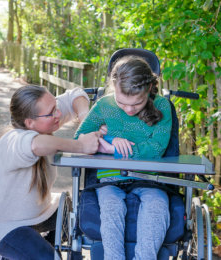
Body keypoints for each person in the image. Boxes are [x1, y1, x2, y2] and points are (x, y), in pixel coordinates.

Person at [0, 85, 101, 260]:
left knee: (85, 216)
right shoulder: (11, 140)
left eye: (56, 108)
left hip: (38, 214)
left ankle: (37, 248)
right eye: (52, 112)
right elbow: (36, 144)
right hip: (4, 227)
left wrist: (84, 119)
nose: (58, 114)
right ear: (29, 123)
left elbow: (76, 94)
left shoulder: (45, 117)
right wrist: (81, 145)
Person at [74, 55, 172, 260]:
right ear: (113, 89)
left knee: (157, 207)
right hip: (110, 177)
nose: (129, 110)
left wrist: (112, 149)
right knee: (111, 209)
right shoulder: (104, 105)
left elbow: (156, 149)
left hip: (149, 179)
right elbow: (79, 139)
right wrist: (109, 137)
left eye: (137, 104)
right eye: (122, 102)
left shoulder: (162, 106)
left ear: (148, 90)